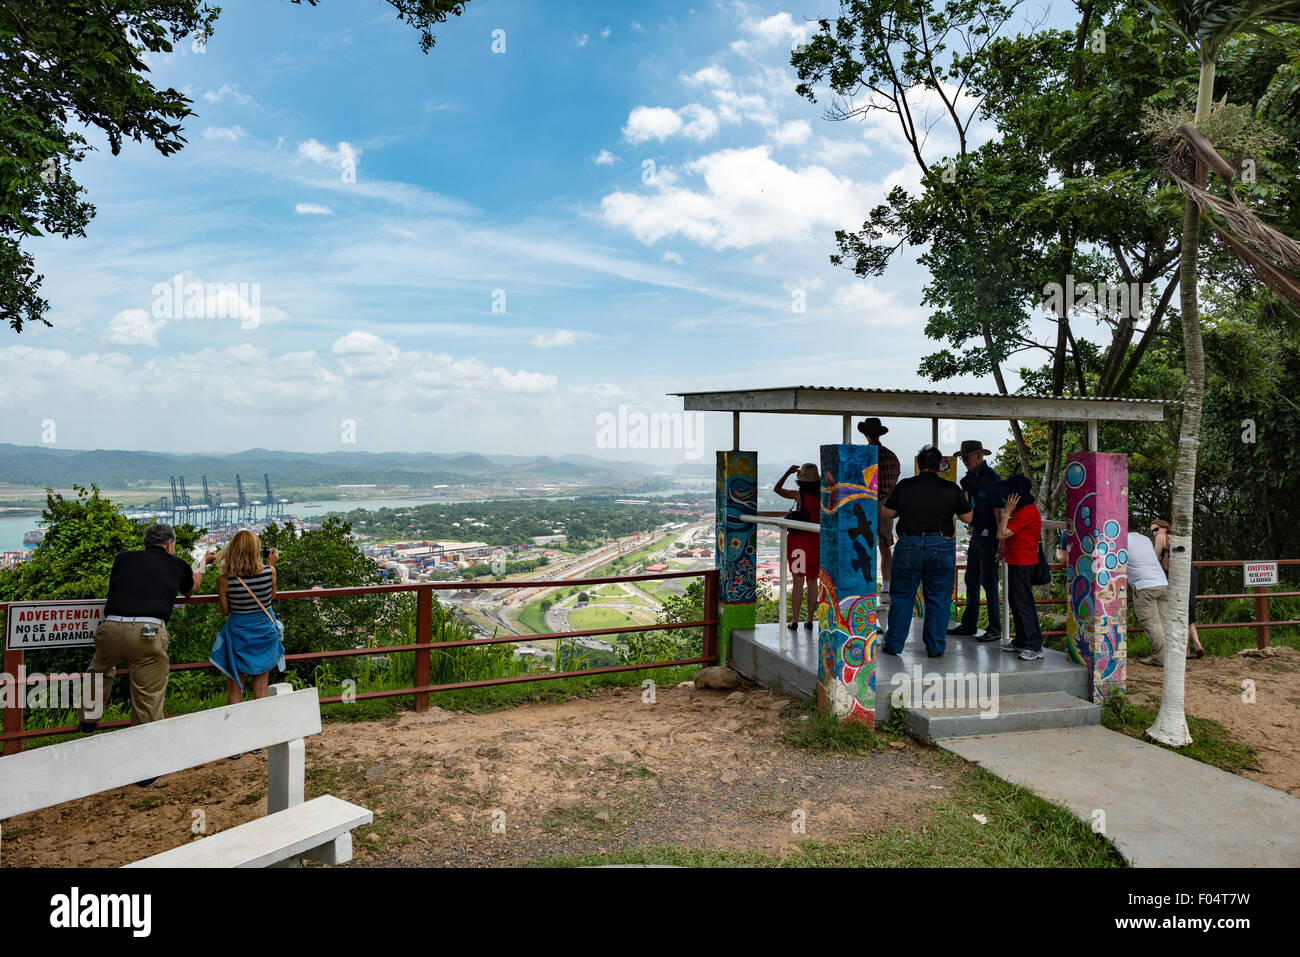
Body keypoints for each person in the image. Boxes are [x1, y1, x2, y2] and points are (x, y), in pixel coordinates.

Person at [78, 524, 214, 785]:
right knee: (147, 697)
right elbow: (191, 589)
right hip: (147, 634)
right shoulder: (176, 565)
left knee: (99, 668)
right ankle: (145, 770)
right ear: (170, 545)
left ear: (146, 543)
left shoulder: (123, 558)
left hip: (110, 628)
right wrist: (201, 564)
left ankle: (88, 719)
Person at [879, 445, 974, 658]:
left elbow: (887, 512)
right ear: (940, 466)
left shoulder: (905, 486)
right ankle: (936, 647)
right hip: (941, 545)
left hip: (908, 544)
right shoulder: (951, 489)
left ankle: (894, 645)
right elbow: (968, 518)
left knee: (903, 596)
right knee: (939, 598)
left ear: (918, 464)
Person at [210, 530, 286, 758]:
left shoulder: (224, 580)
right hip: (263, 633)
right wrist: (272, 565)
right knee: (260, 688)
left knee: (235, 688)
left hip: (239, 635)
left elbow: (225, 611)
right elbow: (272, 597)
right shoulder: (269, 572)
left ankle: (235, 745)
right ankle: (257, 740)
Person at [948, 439, 1004, 641]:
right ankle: (970, 624)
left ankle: (995, 628)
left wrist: (1001, 540)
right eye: (962, 457)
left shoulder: (991, 479)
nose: (964, 460)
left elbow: (1000, 511)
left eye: (967, 456)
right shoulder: (969, 480)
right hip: (977, 533)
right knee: (971, 579)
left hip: (990, 535)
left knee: (988, 583)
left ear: (980, 456)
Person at [996, 476, 1045, 660]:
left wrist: (1006, 512)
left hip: (1024, 562)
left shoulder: (1025, 512)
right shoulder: (1023, 510)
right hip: (1017, 560)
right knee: (1017, 601)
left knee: (1023, 603)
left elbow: (1002, 533)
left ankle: (1033, 645)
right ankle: (1022, 640)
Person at [858, 417, 900, 607]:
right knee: (885, 547)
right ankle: (886, 588)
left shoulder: (863, 455)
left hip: (866, 504)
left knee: (862, 546)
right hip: (886, 505)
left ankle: (862, 589)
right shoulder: (892, 456)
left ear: (866, 435)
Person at [774, 463, 820, 631]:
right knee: (813, 580)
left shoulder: (799, 495)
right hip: (816, 541)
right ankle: (809, 619)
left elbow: (777, 489)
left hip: (798, 542)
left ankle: (794, 620)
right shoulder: (824, 495)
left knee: (798, 581)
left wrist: (787, 472)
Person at [1152, 519, 1203, 659]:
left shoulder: (1161, 538)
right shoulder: (1178, 537)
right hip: (1190, 573)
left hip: (1177, 577)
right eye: (1153, 531)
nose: (1154, 533)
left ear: (1164, 528)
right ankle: (1196, 645)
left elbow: (1154, 560)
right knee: (1188, 612)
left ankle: (1188, 649)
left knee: (1180, 613)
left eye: (1156, 529)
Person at [1126, 521, 1168, 666]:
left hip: (1145, 586)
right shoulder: (1145, 539)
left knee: (1151, 623)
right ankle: (1170, 657)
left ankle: (1160, 658)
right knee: (1163, 622)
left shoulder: (1122, 540)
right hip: (1162, 583)